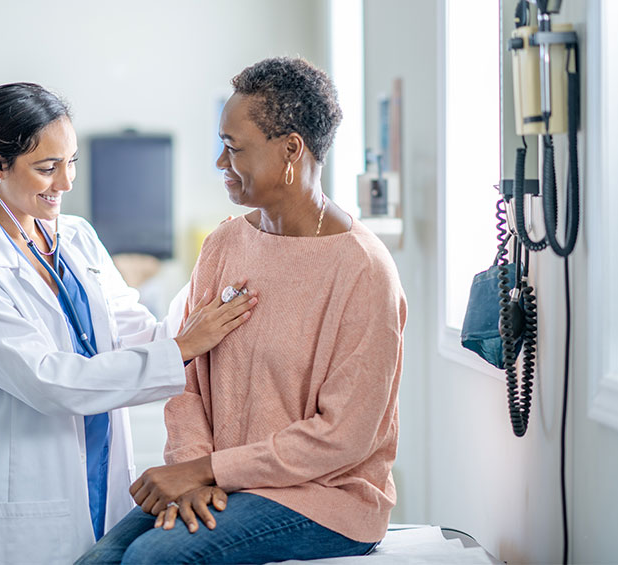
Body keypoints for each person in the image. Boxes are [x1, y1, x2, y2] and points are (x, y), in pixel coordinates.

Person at [77, 57, 406, 564]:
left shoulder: (364, 270)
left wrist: (209, 470)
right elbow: (188, 381)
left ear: (291, 149)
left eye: (233, 148)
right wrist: (193, 470)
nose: (219, 162)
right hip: (225, 482)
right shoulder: (224, 245)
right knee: (98, 560)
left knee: (152, 557)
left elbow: (343, 437)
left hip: (324, 497)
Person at [0, 82, 258, 564]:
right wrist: (182, 348)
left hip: (101, 483)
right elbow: (47, 381)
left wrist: (213, 266)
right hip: (18, 504)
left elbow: (144, 335)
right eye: (47, 168)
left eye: (72, 162)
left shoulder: (77, 237)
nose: (65, 183)